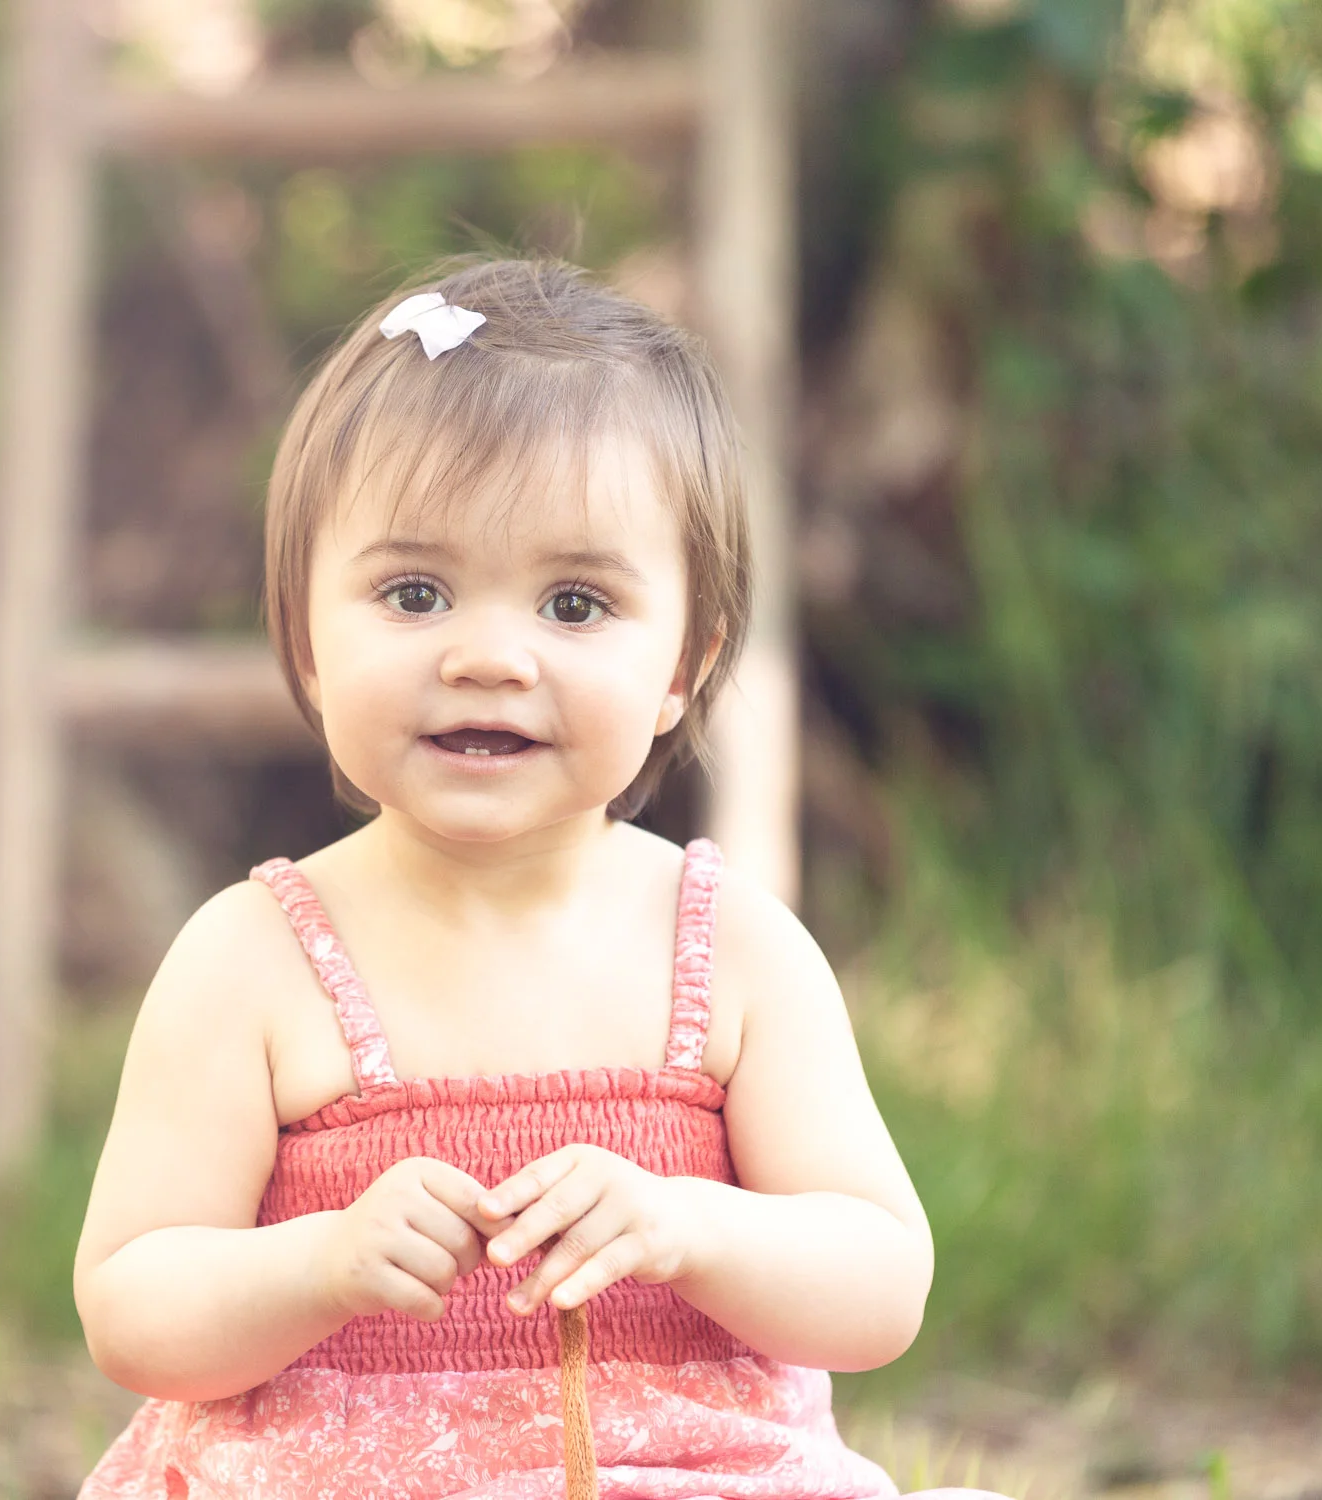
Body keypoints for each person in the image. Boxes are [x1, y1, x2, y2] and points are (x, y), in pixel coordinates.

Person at [72, 257, 1008, 1500]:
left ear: (684, 663)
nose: (489, 656)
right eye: (415, 593)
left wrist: (690, 1228)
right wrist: (319, 1263)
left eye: (574, 603)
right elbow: (132, 1304)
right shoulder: (254, 959)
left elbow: (878, 1284)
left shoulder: (730, 950)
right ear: (304, 631)